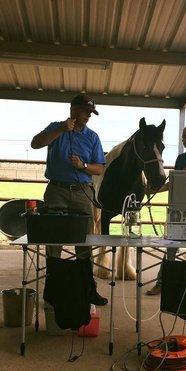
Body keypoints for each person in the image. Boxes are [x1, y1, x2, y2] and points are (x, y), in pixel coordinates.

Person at [31, 94, 108, 306]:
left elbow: (99, 168)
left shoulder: (93, 137)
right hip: (56, 190)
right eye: (85, 112)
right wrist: (61, 130)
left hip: (82, 192)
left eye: (90, 113)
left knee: (84, 242)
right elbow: (36, 143)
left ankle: (88, 289)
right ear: (73, 109)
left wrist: (83, 166)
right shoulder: (55, 128)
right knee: (53, 241)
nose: (88, 117)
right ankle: (51, 290)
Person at [146, 123, 186, 295]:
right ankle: (162, 282)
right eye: (183, 137)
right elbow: (174, 182)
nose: (183, 140)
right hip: (179, 209)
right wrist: (156, 190)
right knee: (171, 247)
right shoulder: (181, 160)